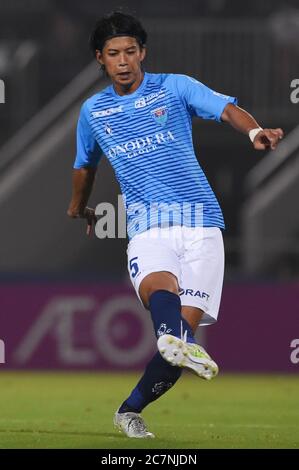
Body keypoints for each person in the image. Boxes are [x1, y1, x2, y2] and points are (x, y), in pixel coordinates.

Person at [67, 11, 284, 438]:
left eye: (131, 51)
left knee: (177, 346)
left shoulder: (174, 87)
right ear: (100, 59)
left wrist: (254, 131)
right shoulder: (93, 111)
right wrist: (78, 206)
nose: (124, 60)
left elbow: (226, 109)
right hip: (149, 225)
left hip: (202, 224)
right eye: (114, 54)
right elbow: (84, 165)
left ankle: (130, 409)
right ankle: (172, 342)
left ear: (142, 52)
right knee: (161, 296)